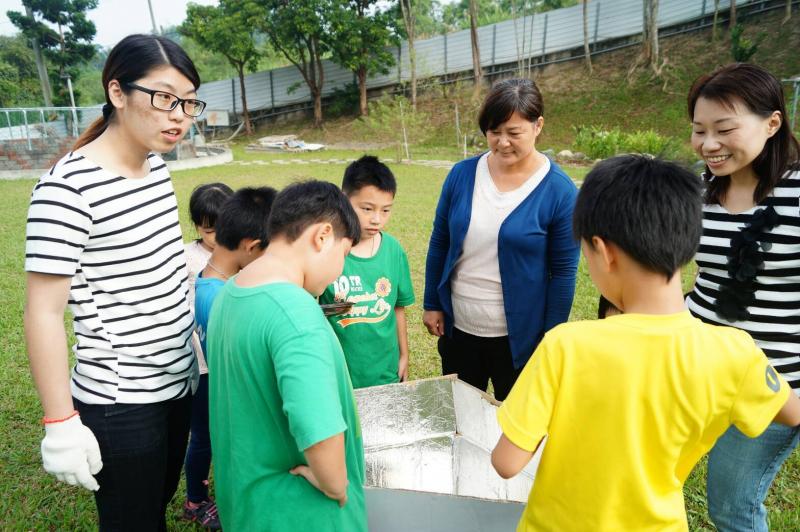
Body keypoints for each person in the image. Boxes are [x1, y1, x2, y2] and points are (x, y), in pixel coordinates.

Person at [490, 155, 800, 531]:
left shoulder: (565, 345)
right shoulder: (736, 352)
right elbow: (792, 413)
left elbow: (507, 463)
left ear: (603, 251)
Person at [23, 34, 206, 530]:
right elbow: (42, 311)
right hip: (122, 403)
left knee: (157, 502)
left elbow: (166, 270)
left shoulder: (155, 167)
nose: (179, 116)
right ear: (117, 93)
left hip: (179, 381)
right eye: (165, 98)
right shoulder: (66, 190)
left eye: (188, 102)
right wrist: (60, 422)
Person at [207, 181, 367, 531]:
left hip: (248, 508)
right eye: (344, 254)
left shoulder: (231, 291)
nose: (340, 270)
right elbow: (318, 426)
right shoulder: (297, 313)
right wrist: (334, 482)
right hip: (302, 515)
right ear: (322, 236)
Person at [686, 63, 800, 531]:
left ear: (772, 123)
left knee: (732, 506)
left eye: (724, 129)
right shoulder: (701, 189)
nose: (709, 144)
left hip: (774, 385)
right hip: (696, 368)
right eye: (698, 130)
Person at [422, 78, 579, 400]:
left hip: (519, 340)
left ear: (538, 126)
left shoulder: (559, 191)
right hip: (460, 330)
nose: (502, 142)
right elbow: (440, 241)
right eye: (494, 132)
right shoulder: (462, 174)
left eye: (514, 133)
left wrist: (551, 335)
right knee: (462, 414)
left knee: (515, 427)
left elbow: (563, 272)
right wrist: (432, 302)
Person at [183, 186, 276, 529]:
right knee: (211, 442)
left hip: (218, 383)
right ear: (251, 246)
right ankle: (204, 501)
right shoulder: (222, 298)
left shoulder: (212, 285)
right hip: (219, 387)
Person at [319, 155, 415, 388]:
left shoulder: (393, 250)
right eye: (367, 208)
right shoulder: (325, 249)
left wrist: (404, 355)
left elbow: (397, 307)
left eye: (385, 211)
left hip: (385, 372)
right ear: (344, 198)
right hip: (339, 375)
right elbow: (313, 310)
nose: (376, 220)